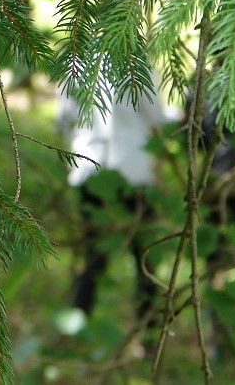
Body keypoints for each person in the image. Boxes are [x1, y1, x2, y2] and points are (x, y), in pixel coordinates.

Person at [57, 89, 167, 318]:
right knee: (143, 252)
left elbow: (63, 121)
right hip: (132, 170)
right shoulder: (136, 60)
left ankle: (80, 319)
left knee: (95, 251)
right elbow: (156, 116)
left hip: (91, 167)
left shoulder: (75, 63)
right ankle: (148, 327)